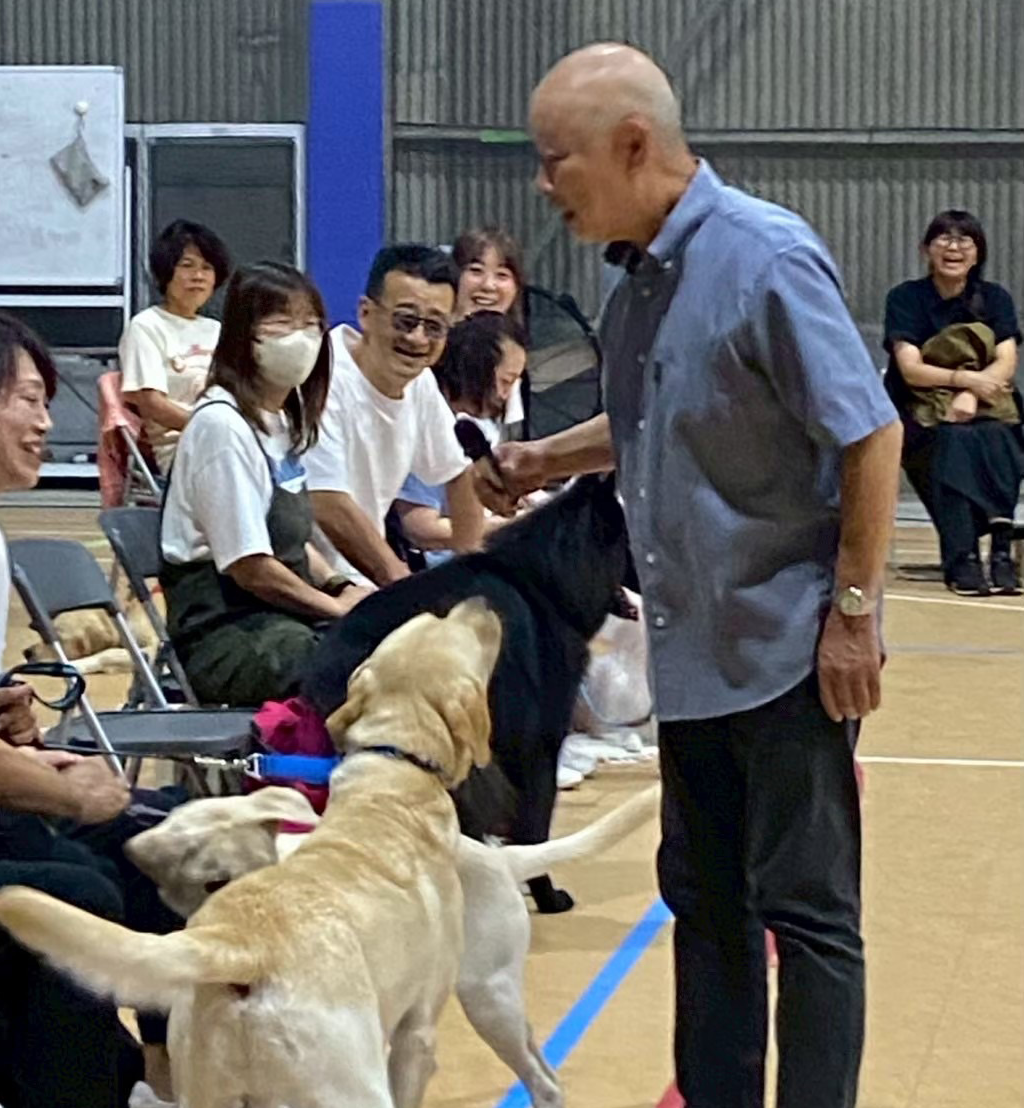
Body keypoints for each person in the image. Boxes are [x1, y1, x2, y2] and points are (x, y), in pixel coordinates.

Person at [476, 43, 903, 1108]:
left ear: (632, 145)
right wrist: (542, 459)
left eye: (555, 158)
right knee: (706, 911)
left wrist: (853, 613)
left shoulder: (766, 260)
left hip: (787, 651)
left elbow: (870, 434)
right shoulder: (635, 283)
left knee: (806, 914)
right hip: (694, 657)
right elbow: (645, 421)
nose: (543, 184)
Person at [0, 322, 148, 1108]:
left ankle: (152, 1076)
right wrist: (69, 789)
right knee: (78, 894)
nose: (47, 422)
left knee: (164, 853)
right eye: (28, 400)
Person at [160, 262, 369, 707]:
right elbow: (251, 567)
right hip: (226, 632)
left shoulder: (281, 422)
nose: (301, 338)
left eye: (310, 324)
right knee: (354, 666)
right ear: (244, 337)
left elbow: (288, 538)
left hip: (283, 615)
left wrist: (340, 585)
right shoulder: (222, 426)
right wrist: (336, 611)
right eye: (281, 323)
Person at [304, 244, 485, 586]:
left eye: (435, 327)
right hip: (309, 579)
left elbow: (460, 474)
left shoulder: (420, 383)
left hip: (366, 579)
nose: (417, 338)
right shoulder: (320, 373)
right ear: (365, 313)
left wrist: (471, 575)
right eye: (405, 320)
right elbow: (327, 502)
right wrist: (400, 588)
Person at [883, 210, 1022, 595]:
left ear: (978, 253)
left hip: (987, 405)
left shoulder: (995, 298)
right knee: (954, 442)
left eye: (964, 240)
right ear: (926, 249)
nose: (954, 247)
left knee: (1000, 437)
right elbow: (911, 369)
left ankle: (1000, 553)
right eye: (944, 238)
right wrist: (964, 380)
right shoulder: (906, 298)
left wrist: (971, 393)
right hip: (921, 412)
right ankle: (963, 558)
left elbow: (1006, 361)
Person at [394, 311, 526, 565]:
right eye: (505, 381)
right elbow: (420, 528)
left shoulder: (479, 426)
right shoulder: (424, 422)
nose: (505, 395)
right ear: (477, 368)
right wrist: (515, 524)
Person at [119, 219, 232, 473]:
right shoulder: (147, 326)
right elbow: (151, 404)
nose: (198, 276)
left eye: (207, 268)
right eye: (187, 265)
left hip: (230, 442)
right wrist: (211, 429)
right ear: (166, 272)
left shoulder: (218, 331)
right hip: (182, 450)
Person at [452, 227, 527, 431]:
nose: (488, 285)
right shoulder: (429, 347)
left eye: (502, 275)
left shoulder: (514, 351)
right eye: (476, 271)